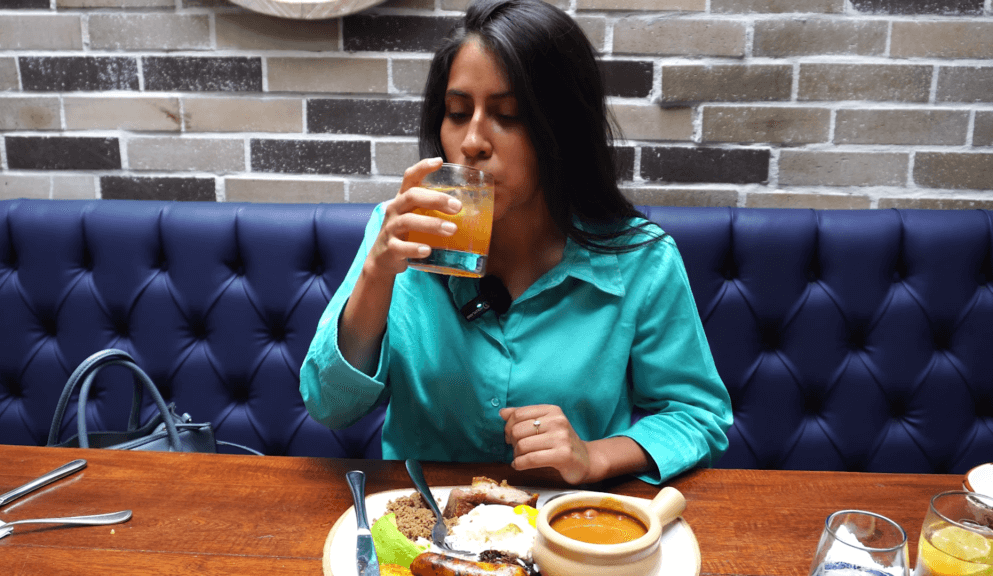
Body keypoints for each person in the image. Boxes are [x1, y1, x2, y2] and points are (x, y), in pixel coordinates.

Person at [300, 0, 732, 485]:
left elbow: (697, 417)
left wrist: (594, 456)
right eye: (458, 112)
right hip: (426, 525)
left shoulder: (640, 259)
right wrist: (376, 274)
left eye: (507, 115)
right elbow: (328, 405)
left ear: (563, 130)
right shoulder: (397, 233)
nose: (473, 141)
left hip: (566, 525)